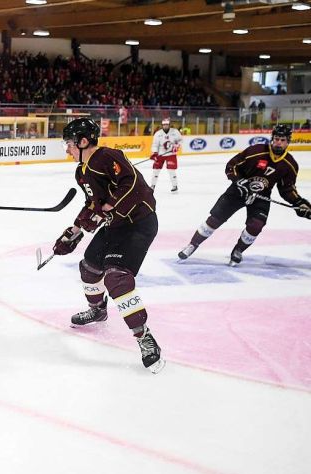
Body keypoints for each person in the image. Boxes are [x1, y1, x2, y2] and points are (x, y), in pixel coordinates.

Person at [52, 118, 164, 373]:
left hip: (139, 224)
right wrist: (75, 231)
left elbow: (132, 184)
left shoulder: (108, 156)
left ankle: (143, 336)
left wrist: (110, 205)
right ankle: (98, 310)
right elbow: (94, 205)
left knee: (117, 278)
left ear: (83, 141)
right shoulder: (82, 172)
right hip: (115, 226)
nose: (67, 150)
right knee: (89, 268)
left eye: (69, 144)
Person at [178, 124, 311, 265]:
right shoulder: (256, 151)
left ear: (288, 141)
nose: (278, 142)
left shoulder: (289, 164)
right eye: (276, 139)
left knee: (256, 226)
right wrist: (239, 181)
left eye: (282, 140)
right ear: (272, 139)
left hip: (261, 196)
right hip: (238, 190)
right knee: (215, 219)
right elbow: (231, 166)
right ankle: (193, 244)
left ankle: (238, 250)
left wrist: (298, 202)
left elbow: (287, 189)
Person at [149, 118, 182, 192]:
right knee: (156, 170)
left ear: (169, 125)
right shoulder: (158, 133)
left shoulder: (175, 132)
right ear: (162, 125)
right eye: (164, 125)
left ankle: (175, 185)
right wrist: (155, 153)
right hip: (160, 154)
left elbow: (181, 140)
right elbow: (155, 144)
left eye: (167, 124)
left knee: (171, 170)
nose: (165, 126)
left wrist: (176, 146)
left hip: (171, 154)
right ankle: (153, 185)